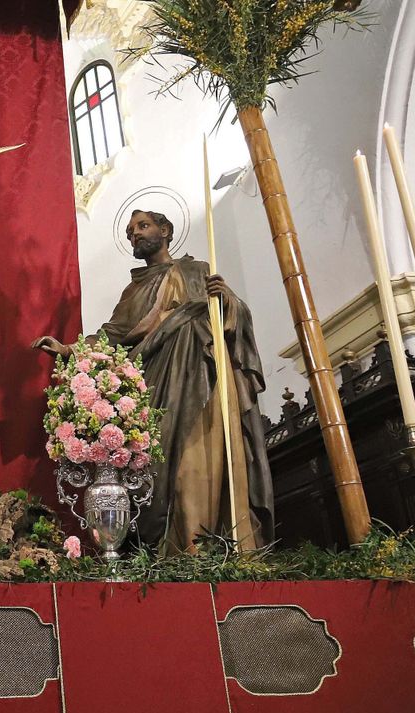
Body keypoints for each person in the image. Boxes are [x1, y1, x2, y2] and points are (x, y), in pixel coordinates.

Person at [35, 209, 274, 552]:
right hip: (161, 379)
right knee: (163, 466)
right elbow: (111, 336)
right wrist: (69, 348)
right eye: (131, 231)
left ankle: (214, 546)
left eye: (143, 226)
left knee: (202, 454)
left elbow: (233, 317)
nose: (135, 234)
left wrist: (229, 301)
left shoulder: (197, 271)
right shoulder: (133, 292)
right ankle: (175, 547)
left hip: (203, 369)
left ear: (165, 230)